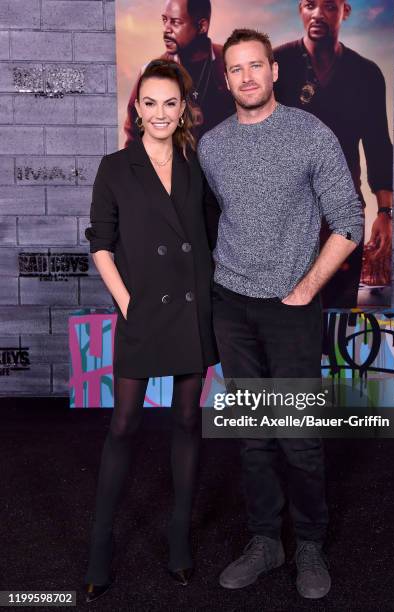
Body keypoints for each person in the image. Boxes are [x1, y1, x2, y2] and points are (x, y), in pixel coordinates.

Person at [198, 29, 363, 600]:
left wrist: (306, 288)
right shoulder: (212, 146)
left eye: (256, 66)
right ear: (227, 79)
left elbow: (349, 219)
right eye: (236, 69)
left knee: (297, 436)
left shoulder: (310, 134)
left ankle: (310, 545)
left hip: (291, 308)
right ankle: (266, 541)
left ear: (274, 71)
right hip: (231, 306)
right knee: (253, 435)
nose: (246, 77)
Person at [83, 59, 218, 601]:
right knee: (122, 425)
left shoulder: (197, 162)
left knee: (187, 419)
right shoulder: (115, 167)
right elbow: (101, 243)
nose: (160, 113)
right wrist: (127, 302)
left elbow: (212, 233)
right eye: (149, 103)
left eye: (170, 103)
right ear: (136, 108)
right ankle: (99, 548)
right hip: (142, 312)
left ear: (182, 108)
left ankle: (179, 541)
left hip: (191, 309)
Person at [274, 0, 393, 307]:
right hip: (287, 213)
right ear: (300, 9)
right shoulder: (276, 64)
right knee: (286, 316)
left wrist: (385, 212)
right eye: (309, 5)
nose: (317, 14)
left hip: (344, 215)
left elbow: (378, 146)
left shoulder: (365, 74)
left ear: (345, 11)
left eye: (328, 6)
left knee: (338, 319)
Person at [123, 0, 235, 146]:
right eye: (165, 20)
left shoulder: (231, 61)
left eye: (175, 22)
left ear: (202, 26)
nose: (166, 29)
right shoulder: (150, 73)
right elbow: (134, 135)